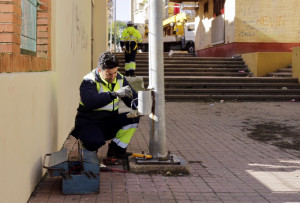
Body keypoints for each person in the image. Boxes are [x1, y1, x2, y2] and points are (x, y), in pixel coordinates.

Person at [70, 52, 140, 158]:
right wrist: (114, 94)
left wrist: (139, 106)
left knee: (133, 118)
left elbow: (132, 98)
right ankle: (86, 148)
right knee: (94, 142)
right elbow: (90, 101)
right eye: (108, 74)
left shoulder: (120, 78)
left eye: (115, 72)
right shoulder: (89, 81)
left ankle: (116, 151)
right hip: (90, 120)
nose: (113, 77)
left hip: (110, 120)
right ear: (99, 70)